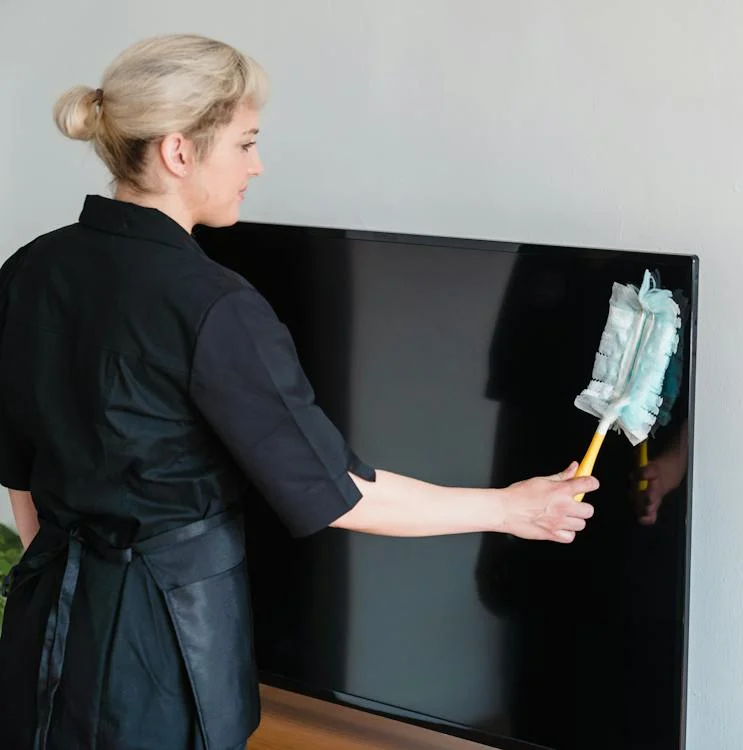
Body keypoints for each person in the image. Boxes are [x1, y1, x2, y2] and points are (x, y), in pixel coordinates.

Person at [0, 33, 597, 750]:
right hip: (162, 648)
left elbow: (20, 473)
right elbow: (339, 491)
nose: (257, 165)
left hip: (43, 627)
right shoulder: (213, 305)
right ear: (179, 152)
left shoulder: (31, 267)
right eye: (245, 143)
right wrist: (508, 509)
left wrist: (63, 590)